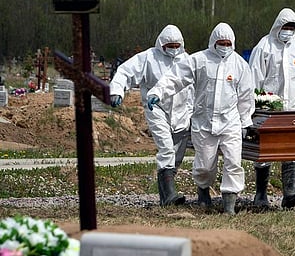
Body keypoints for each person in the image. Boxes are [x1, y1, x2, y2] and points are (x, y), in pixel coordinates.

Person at [147, 22, 255, 215]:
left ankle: (229, 204)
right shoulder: (199, 60)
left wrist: (245, 121)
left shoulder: (240, 65)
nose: (224, 46)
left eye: (227, 43)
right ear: (213, 41)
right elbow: (175, 78)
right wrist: (158, 92)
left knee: (233, 162)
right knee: (205, 166)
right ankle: (203, 191)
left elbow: (246, 96)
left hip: (230, 122)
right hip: (203, 122)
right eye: (221, 42)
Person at [109, 24, 194, 206]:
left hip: (181, 114)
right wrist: (117, 90)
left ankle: (166, 198)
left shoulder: (187, 60)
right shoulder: (149, 58)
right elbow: (126, 71)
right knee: (166, 149)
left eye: (176, 46)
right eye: (169, 46)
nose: (173, 49)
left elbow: (195, 88)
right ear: (161, 44)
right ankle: (170, 194)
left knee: (176, 157)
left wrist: (193, 112)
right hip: (157, 110)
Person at [248, 8, 295, 208]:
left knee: (292, 148)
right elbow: (254, 80)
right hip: (267, 110)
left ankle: (290, 191)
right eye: (285, 27)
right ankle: (260, 195)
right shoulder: (264, 47)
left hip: (292, 109)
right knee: (265, 152)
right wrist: (255, 107)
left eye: (292, 27)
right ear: (277, 26)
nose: (288, 31)